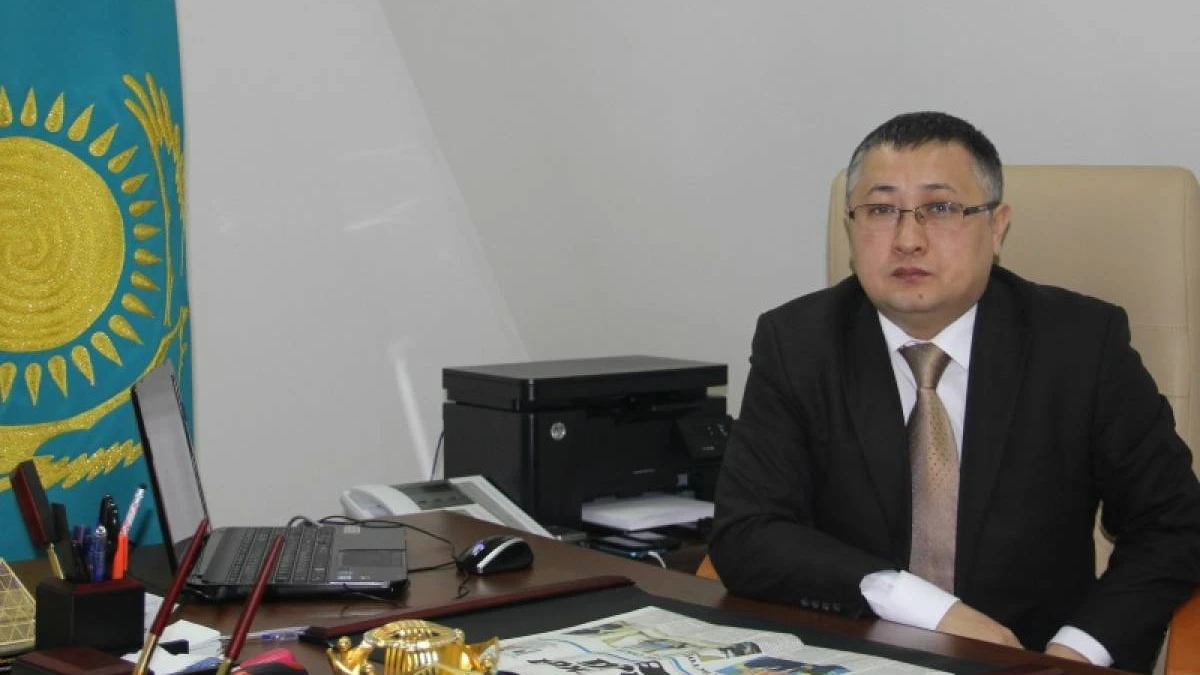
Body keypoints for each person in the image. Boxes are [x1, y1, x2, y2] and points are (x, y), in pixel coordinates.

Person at [708, 111, 1200, 673]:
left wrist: (1076, 653)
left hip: (1031, 660)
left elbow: (1174, 525)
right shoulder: (798, 343)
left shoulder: (1082, 344)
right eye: (881, 210)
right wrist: (920, 606)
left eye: (940, 208)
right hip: (855, 658)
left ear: (997, 227)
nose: (907, 240)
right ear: (851, 227)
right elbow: (747, 533)